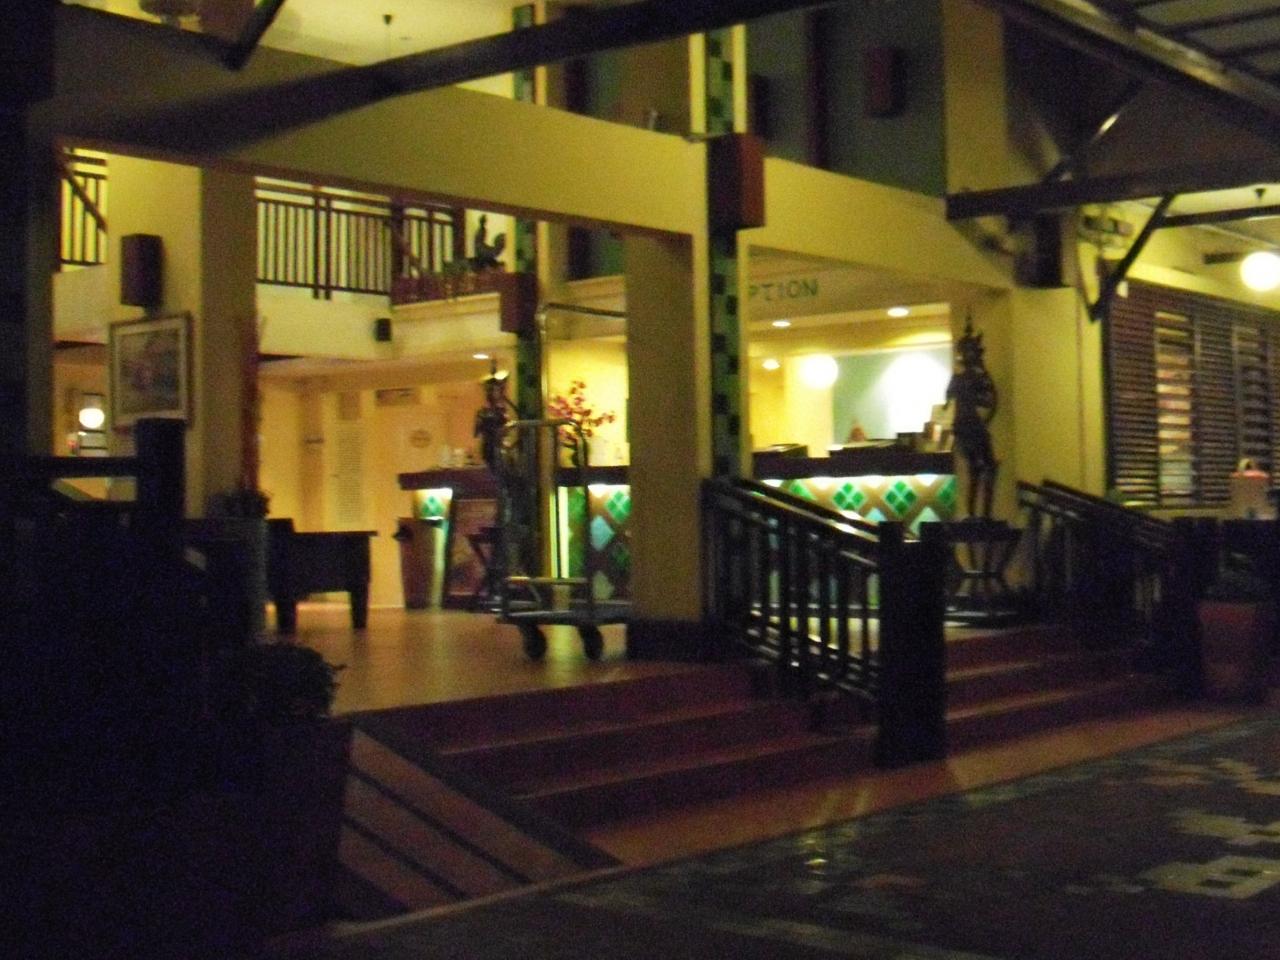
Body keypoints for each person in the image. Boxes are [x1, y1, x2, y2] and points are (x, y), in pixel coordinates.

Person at [946, 317, 998, 518]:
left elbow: (949, 400)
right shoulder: (971, 377)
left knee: (977, 468)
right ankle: (979, 514)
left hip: (965, 426)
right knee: (984, 468)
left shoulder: (961, 378)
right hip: (971, 426)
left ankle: (975, 514)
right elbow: (987, 400)